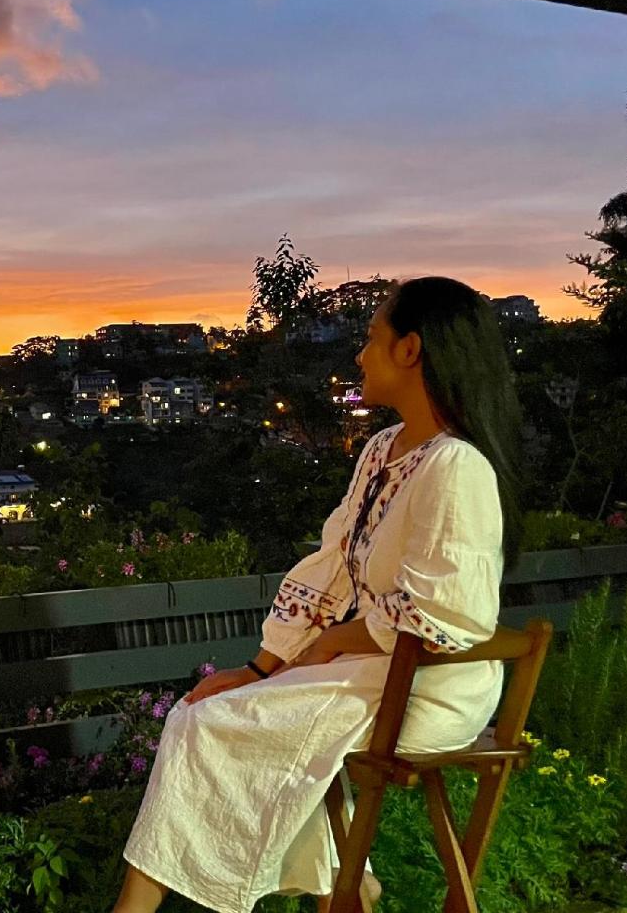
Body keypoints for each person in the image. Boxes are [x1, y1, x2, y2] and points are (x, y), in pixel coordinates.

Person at [114, 277, 524, 913]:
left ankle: (142, 908)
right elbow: (333, 568)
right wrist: (260, 668)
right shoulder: (383, 450)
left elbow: (447, 614)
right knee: (206, 710)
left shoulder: (456, 466)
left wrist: (333, 641)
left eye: (371, 339)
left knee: (210, 725)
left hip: (430, 686)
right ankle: (349, 885)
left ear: (410, 350)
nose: (359, 355)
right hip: (373, 672)